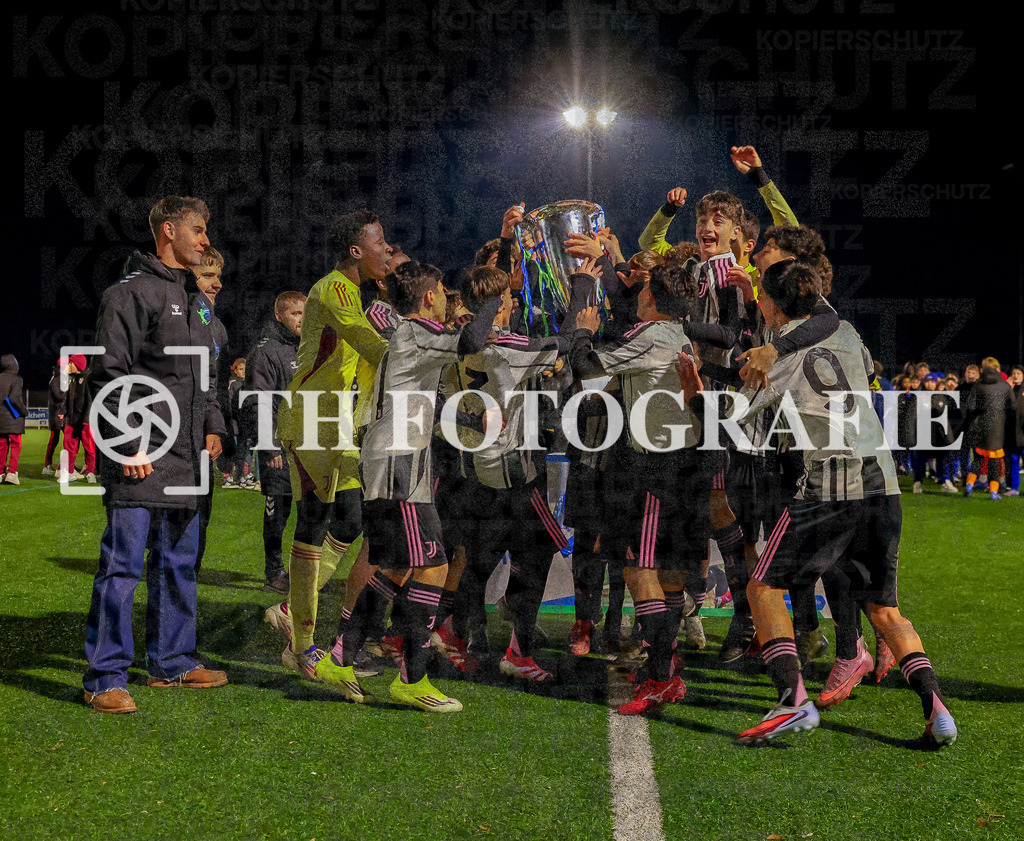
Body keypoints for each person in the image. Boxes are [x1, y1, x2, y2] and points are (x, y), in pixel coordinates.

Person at [676, 259, 957, 746]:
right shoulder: (845, 331)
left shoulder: (772, 358)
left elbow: (737, 421)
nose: (759, 303)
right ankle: (937, 708)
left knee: (761, 589)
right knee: (885, 609)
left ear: (774, 303)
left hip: (830, 487)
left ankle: (793, 702)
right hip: (883, 484)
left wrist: (695, 393)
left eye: (762, 295)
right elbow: (853, 353)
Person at [316, 260, 500, 711]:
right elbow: (474, 339)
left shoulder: (411, 336)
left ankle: (340, 657)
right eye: (440, 290)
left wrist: (471, 419)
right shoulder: (417, 331)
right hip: (399, 463)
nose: (444, 297)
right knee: (433, 564)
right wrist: (499, 290)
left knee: (397, 567)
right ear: (427, 297)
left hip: (399, 461)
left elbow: (425, 401)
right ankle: (412, 679)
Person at [82, 195, 228, 715]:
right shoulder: (129, 293)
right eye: (198, 230)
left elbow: (205, 377)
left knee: (179, 563)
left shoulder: (200, 300)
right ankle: (104, 677)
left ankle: (172, 662)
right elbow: (109, 375)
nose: (206, 240)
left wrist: (212, 427)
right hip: (141, 454)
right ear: (169, 231)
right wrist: (128, 444)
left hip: (188, 458)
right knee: (122, 567)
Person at [267, 209, 390, 680]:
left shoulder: (355, 293)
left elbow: (364, 361)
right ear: (357, 250)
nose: (386, 250)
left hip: (338, 421)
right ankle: (300, 647)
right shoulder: (334, 288)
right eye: (380, 243)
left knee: (353, 517)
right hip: (312, 417)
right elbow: (367, 343)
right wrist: (418, 358)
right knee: (313, 521)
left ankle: (289, 607)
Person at [242, 291, 306, 594]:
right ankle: (273, 572)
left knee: (310, 514)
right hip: (280, 451)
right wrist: (270, 447)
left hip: (307, 449)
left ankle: (304, 570)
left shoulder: (305, 348)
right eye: (296, 314)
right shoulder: (265, 351)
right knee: (277, 513)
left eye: (305, 313)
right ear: (279, 315)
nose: (302, 320)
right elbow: (258, 402)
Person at [59, 354, 98, 484]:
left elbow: (91, 400)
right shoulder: (71, 379)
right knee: (68, 447)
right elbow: (66, 399)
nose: (68, 365)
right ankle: (68, 472)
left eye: (70, 363)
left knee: (89, 448)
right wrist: (64, 413)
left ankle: (91, 472)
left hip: (85, 419)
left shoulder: (88, 378)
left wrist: (87, 419)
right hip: (72, 419)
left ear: (77, 365)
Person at [0, 354, 27, 485]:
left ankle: (0, 473)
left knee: (2, 446)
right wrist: (24, 412)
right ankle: (11, 472)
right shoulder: (17, 379)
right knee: (16, 445)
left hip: (1, 420)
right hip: (13, 418)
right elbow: (14, 399)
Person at [42, 356, 72, 476]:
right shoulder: (57, 378)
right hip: (58, 414)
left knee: (61, 440)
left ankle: (62, 465)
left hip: (60, 413)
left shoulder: (61, 377)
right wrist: (70, 391)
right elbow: (59, 396)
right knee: (59, 440)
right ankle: (49, 466)